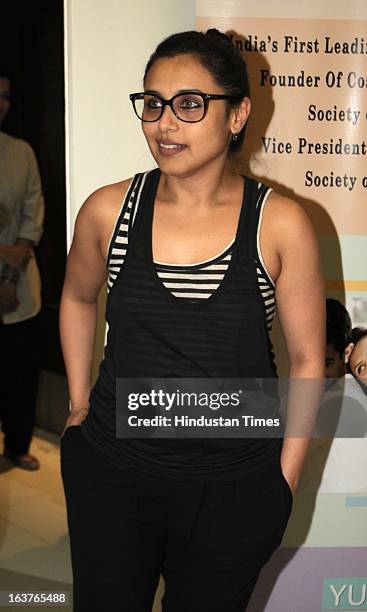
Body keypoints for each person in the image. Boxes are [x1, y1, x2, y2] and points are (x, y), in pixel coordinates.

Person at [59, 30, 325, 612]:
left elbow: (308, 359)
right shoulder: (108, 210)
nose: (164, 123)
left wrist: (285, 479)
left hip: (235, 486)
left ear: (239, 115)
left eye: (189, 103)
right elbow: (78, 299)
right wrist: (79, 406)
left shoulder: (279, 223)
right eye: (153, 103)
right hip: (112, 473)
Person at [0, 69, 44, 471]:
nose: (2, 104)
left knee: (19, 373)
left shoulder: (20, 151)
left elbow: (34, 215)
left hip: (19, 286)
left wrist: (10, 277)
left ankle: (16, 444)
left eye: (6, 96)